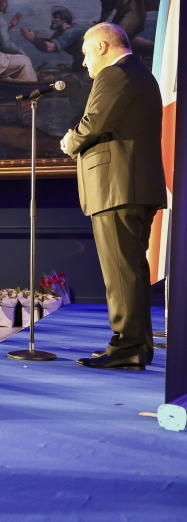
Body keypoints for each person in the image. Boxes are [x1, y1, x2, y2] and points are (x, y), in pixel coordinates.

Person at [61, 23, 165, 369]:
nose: (84, 62)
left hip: (117, 187)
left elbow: (94, 123)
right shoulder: (139, 73)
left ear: (103, 46)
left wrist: (70, 141)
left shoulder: (115, 74)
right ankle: (137, 346)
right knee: (131, 270)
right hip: (134, 186)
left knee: (120, 271)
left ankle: (126, 346)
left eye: (86, 53)